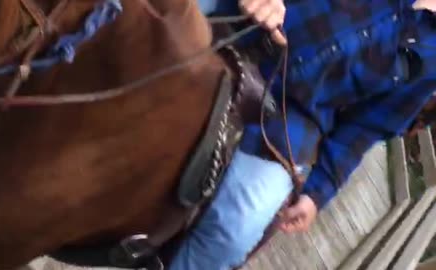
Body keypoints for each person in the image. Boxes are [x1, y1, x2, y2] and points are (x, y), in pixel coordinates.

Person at [169, 0, 436, 269]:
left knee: (236, 228)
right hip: (239, 23)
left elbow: (366, 126)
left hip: (295, 114)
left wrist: (318, 192)